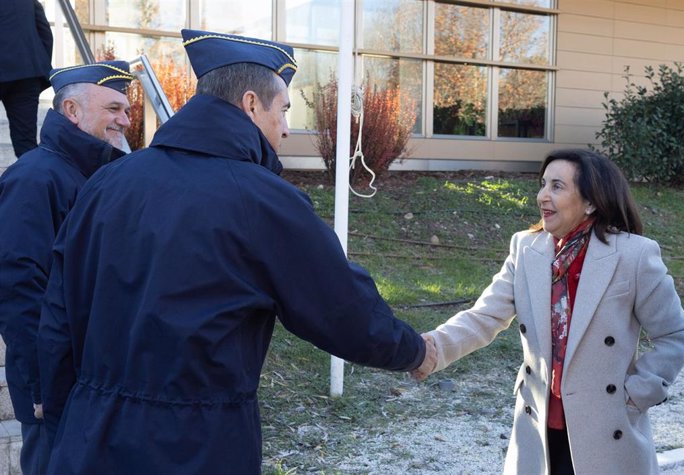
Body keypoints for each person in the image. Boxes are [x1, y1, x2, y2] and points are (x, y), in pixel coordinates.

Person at [37, 30, 436, 474]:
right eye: (283, 110)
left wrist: (61, 425)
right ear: (250, 104)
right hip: (196, 447)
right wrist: (415, 351)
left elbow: (58, 318)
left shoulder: (106, 183)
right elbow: (342, 308)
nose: (285, 128)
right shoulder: (262, 200)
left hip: (89, 438)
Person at [412, 149, 684, 475]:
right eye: (543, 184)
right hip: (539, 424)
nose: (542, 195)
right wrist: (431, 348)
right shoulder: (526, 248)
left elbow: (675, 335)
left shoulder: (634, 256)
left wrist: (636, 396)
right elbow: (486, 316)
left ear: (591, 202)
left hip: (607, 429)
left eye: (557, 186)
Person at [0, 60, 133, 475]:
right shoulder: (36, 178)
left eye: (126, 111)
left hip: (93, 375)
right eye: (113, 109)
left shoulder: (96, 174)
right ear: (72, 111)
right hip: (56, 385)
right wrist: (40, 384)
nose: (126, 121)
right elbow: (18, 287)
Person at [0, 0, 53, 158]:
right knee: (26, 143)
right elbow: (45, 35)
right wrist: (38, 66)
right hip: (26, 73)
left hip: (26, 74)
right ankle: (31, 181)